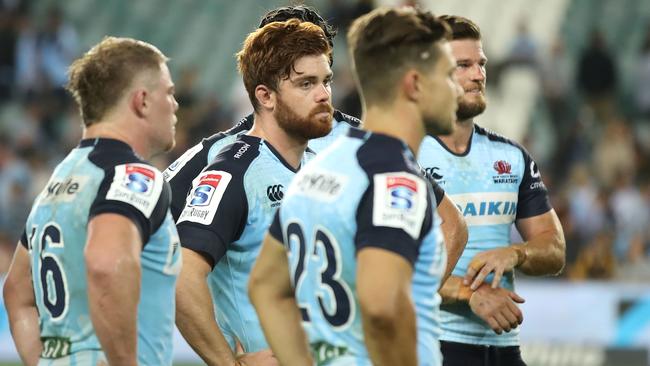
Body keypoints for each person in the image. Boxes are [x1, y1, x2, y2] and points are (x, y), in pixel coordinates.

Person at [165, 4, 467, 293]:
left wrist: (406, 308)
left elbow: (450, 224)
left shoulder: (364, 140)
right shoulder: (225, 155)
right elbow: (150, 237)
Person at [249, 7, 459, 366]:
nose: (456, 89)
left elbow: (265, 287)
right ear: (415, 84)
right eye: (448, 75)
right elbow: (381, 307)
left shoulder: (323, 166)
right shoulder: (395, 179)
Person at [2, 36, 181, 366]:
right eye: (168, 92)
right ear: (142, 101)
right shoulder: (132, 175)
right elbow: (104, 263)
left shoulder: (58, 181)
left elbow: (16, 291)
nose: (175, 104)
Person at [174, 19, 332, 365]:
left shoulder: (323, 167)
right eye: (307, 83)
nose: (324, 95)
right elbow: (182, 275)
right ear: (265, 96)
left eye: (326, 81)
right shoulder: (234, 170)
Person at [418, 16, 566, 366]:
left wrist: (516, 253)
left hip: (504, 348)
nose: (478, 75)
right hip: (433, 346)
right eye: (463, 66)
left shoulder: (511, 156)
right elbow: (391, 272)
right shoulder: (403, 155)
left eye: (481, 64)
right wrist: (470, 293)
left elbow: (554, 248)